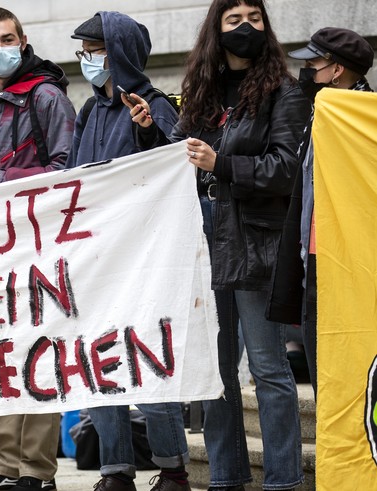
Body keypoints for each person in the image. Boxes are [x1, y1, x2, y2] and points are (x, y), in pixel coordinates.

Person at [126, 1, 310, 489]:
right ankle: (226, 479)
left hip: (254, 239)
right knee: (215, 368)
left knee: (268, 367)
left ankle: (283, 480)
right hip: (202, 237)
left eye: (254, 18)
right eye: (234, 20)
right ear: (216, 29)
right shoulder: (201, 92)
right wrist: (149, 134)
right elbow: (178, 159)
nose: (245, 27)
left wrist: (221, 164)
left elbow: (286, 169)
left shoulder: (284, 93)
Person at [67, 12, 190, 491]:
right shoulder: (88, 111)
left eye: (95, 50)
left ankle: (173, 467)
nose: (88, 60)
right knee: (99, 365)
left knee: (149, 363)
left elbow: (176, 163)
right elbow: (73, 182)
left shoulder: (156, 104)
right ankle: (115, 471)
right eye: (84, 51)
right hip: (97, 260)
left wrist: (145, 132)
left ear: (118, 53)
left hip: (146, 260)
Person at [0, 7, 75, 491]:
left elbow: (69, 170)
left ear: (23, 40)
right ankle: (4, 467)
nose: (0, 48)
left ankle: (36, 472)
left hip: (42, 244)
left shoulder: (48, 98)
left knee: (40, 351)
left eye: (7, 38)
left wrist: (1, 179)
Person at [267, 28, 374, 395]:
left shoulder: (363, 119)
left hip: (348, 264)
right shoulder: (319, 112)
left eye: (313, 63)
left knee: (348, 373)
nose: (307, 71)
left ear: (337, 70)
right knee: (320, 373)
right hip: (312, 257)